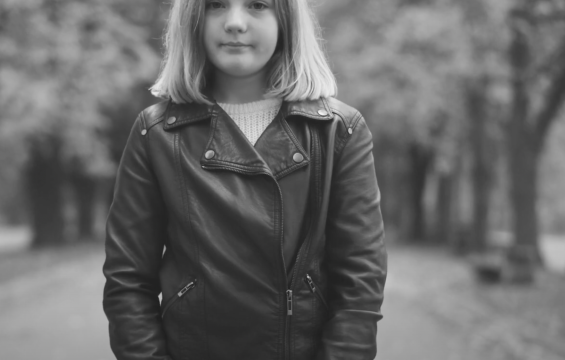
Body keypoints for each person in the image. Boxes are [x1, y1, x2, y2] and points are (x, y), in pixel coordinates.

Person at [102, 0, 388, 359]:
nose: (235, 22)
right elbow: (127, 282)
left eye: (257, 5)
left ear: (285, 18)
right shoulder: (156, 133)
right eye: (216, 5)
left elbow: (360, 286)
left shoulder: (338, 131)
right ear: (193, 18)